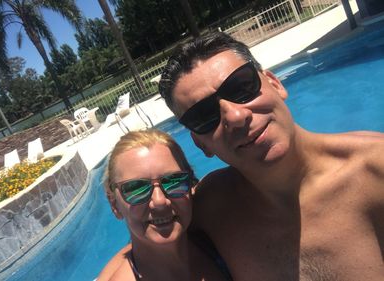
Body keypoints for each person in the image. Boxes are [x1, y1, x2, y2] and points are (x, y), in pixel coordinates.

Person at [156, 32, 384, 280]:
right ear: (200, 143)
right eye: (204, 116)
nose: (235, 117)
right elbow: (143, 247)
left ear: (275, 83)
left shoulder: (375, 171)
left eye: (241, 87)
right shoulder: (212, 205)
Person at [98, 129, 231, 281]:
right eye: (136, 188)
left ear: (191, 185)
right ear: (114, 204)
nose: (160, 202)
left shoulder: (220, 239)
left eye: (174, 181)